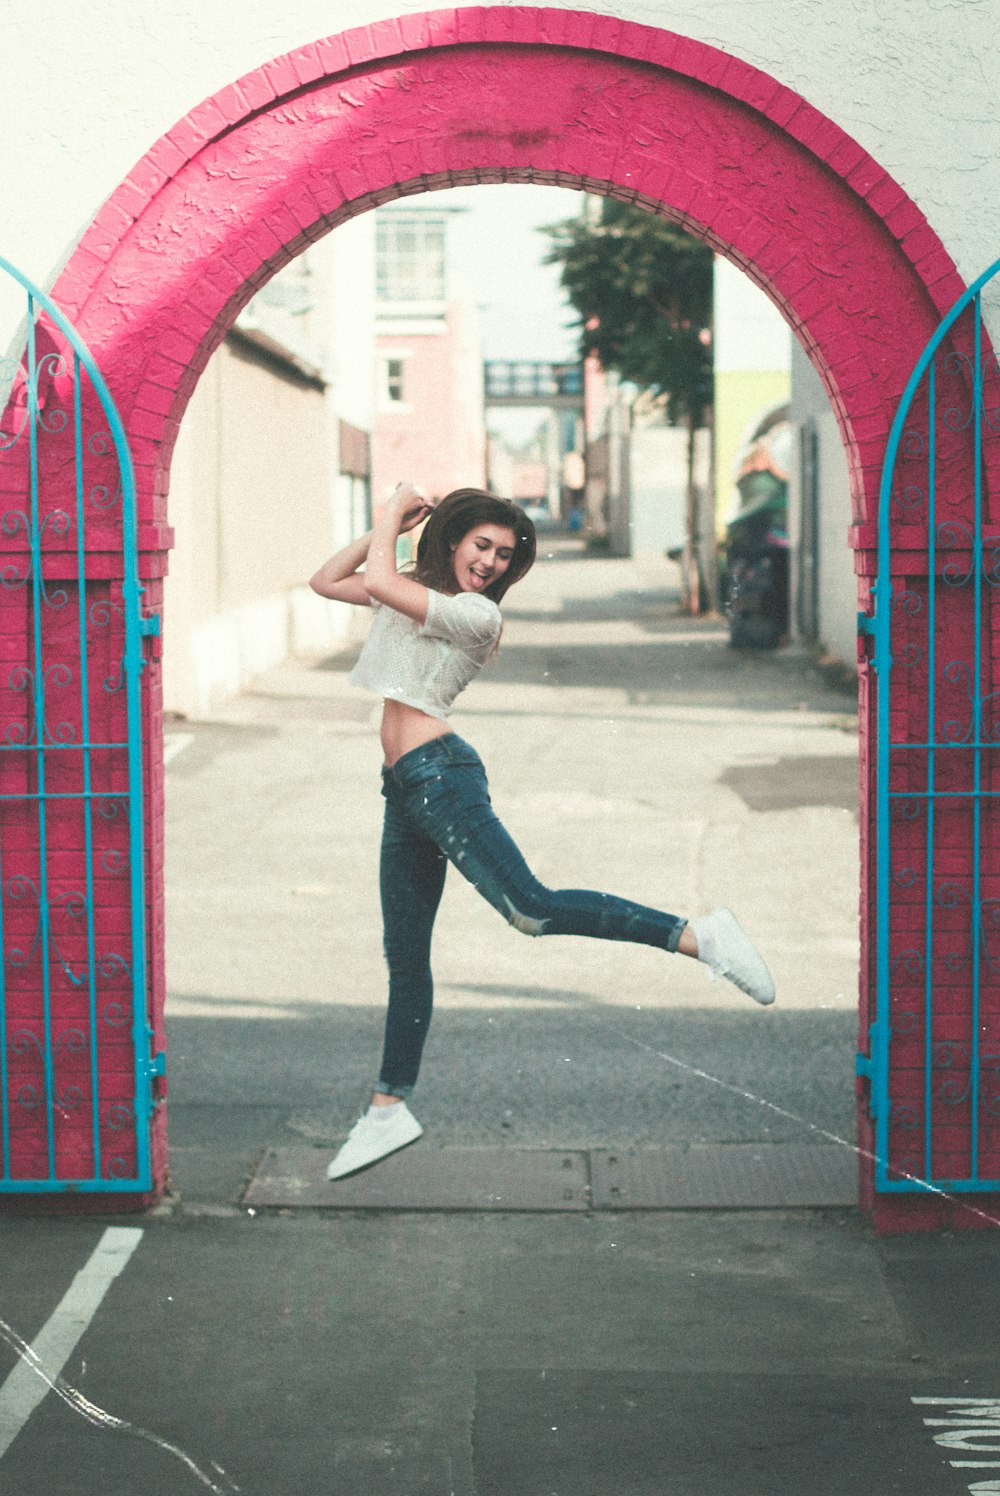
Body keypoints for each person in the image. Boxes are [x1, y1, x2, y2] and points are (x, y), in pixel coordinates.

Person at [310, 483, 775, 1180]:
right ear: (455, 540)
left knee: (530, 907)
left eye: (504, 553)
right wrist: (401, 523)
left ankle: (699, 936)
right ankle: (387, 1109)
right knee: (405, 955)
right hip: (404, 787)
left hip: (441, 775)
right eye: (482, 545)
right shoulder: (413, 588)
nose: (493, 562)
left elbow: (374, 576)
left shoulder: (473, 617)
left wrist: (389, 521)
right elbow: (328, 581)